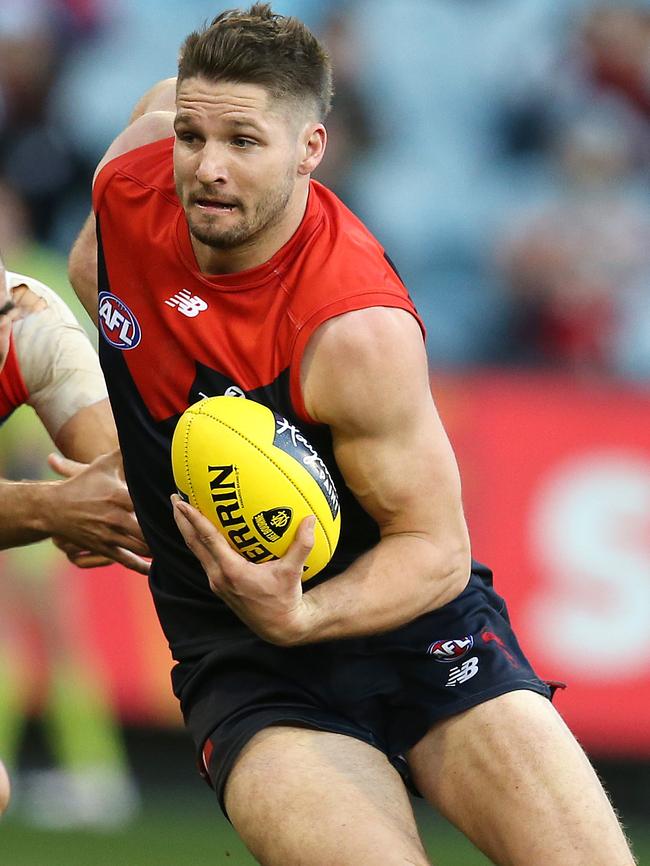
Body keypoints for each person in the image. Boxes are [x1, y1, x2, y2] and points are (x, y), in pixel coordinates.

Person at [68, 5, 636, 865]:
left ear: (311, 149)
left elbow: (437, 552)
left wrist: (302, 614)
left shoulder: (354, 328)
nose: (207, 169)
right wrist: (140, 427)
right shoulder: (131, 178)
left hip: (414, 632)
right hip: (246, 660)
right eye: (193, 134)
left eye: (245, 143)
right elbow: (102, 278)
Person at [0, 252, 148, 819]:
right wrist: (48, 508)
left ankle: (96, 775)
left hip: (37, 477)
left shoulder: (41, 321)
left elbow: (122, 483)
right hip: (39, 490)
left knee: (45, 636)